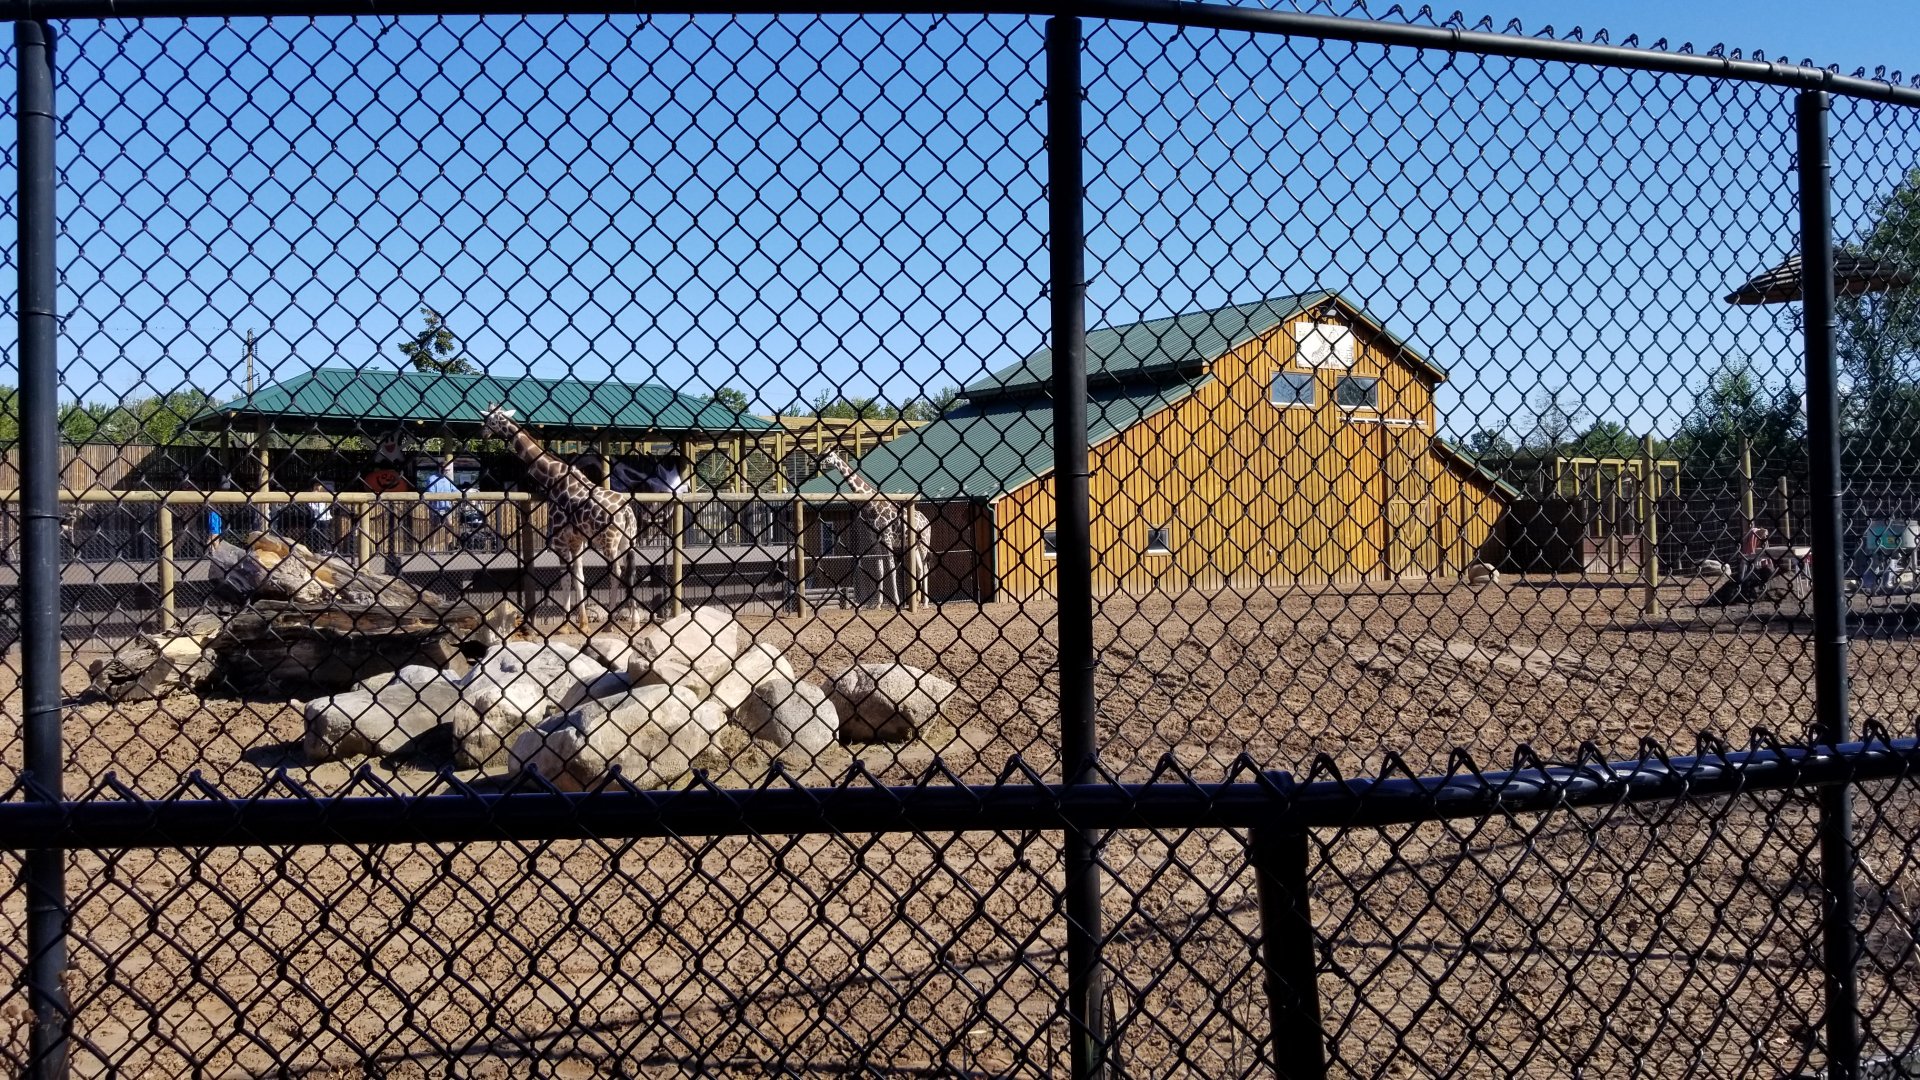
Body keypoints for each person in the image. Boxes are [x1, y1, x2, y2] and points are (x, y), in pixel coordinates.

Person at [422, 456, 460, 552]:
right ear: (439, 468)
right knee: (434, 528)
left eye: (447, 470)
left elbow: (455, 491)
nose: (446, 472)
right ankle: (432, 548)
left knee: (450, 526)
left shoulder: (448, 480)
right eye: (444, 469)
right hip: (435, 508)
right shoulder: (432, 479)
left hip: (447, 508)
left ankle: (449, 547)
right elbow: (431, 493)